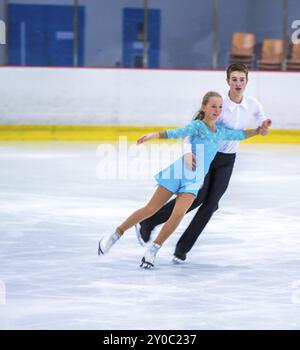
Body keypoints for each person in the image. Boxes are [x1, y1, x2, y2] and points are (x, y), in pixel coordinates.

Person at [98, 91, 271, 269]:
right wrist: (153, 136)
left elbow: (240, 135)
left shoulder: (220, 132)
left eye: (220, 107)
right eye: (213, 106)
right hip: (179, 172)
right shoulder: (197, 126)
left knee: (178, 214)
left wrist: (258, 131)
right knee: (151, 208)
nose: (217, 110)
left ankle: (153, 250)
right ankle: (115, 234)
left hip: (194, 180)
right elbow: (177, 133)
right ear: (204, 108)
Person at [135, 63, 272, 263]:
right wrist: (188, 153)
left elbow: (262, 120)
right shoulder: (217, 103)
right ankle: (149, 222)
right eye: (234, 79)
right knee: (196, 199)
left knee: (211, 204)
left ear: (247, 82)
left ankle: (182, 248)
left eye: (241, 79)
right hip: (205, 156)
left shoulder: (252, 104)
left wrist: (264, 127)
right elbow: (190, 133)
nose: (238, 83)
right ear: (227, 81)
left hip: (227, 160)